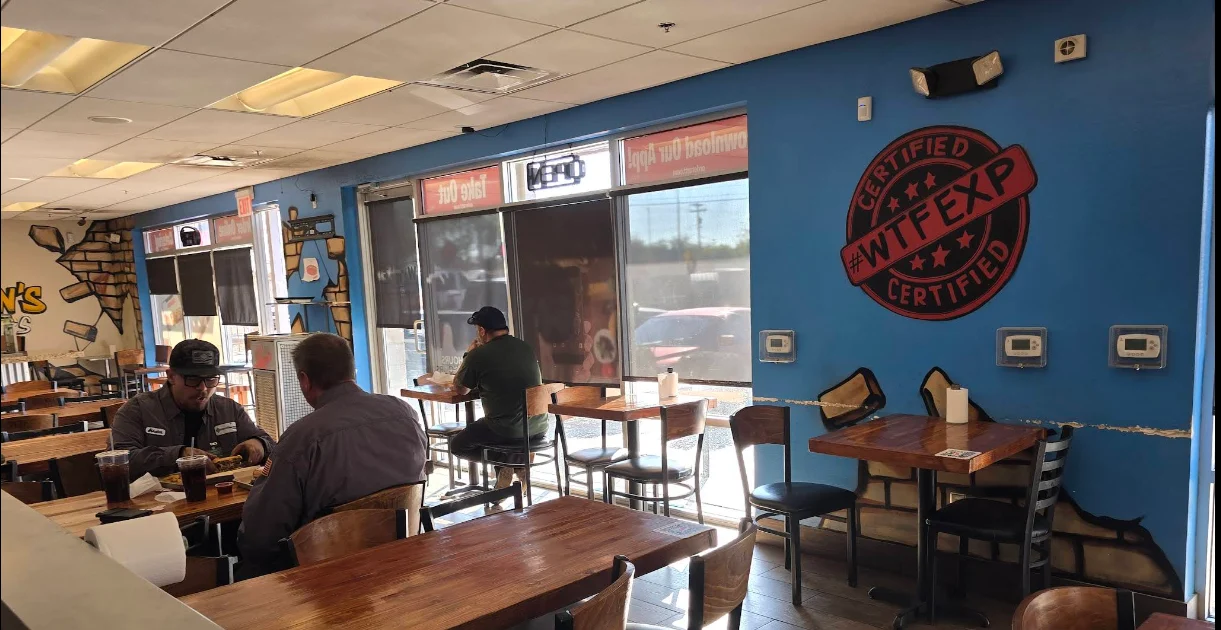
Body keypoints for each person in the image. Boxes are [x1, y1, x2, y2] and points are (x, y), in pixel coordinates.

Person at [238, 333, 428, 575]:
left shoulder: (302, 438)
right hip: (403, 561)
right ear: (352, 371)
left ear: (304, 380)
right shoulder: (405, 414)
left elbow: (260, 536)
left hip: (330, 575)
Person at [112, 339, 272, 480]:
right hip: (156, 502)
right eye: (193, 379)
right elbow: (117, 460)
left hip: (224, 497)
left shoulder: (229, 410)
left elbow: (272, 445)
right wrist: (178, 455)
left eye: (210, 379)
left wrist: (259, 444)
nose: (203, 388)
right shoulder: (137, 410)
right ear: (171, 376)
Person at [448, 306, 546, 487]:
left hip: (507, 430)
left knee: (458, 446)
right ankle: (517, 465)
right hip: (538, 427)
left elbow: (461, 389)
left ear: (482, 330)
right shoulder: (525, 347)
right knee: (494, 429)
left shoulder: (478, 355)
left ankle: (506, 463)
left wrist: (468, 354)